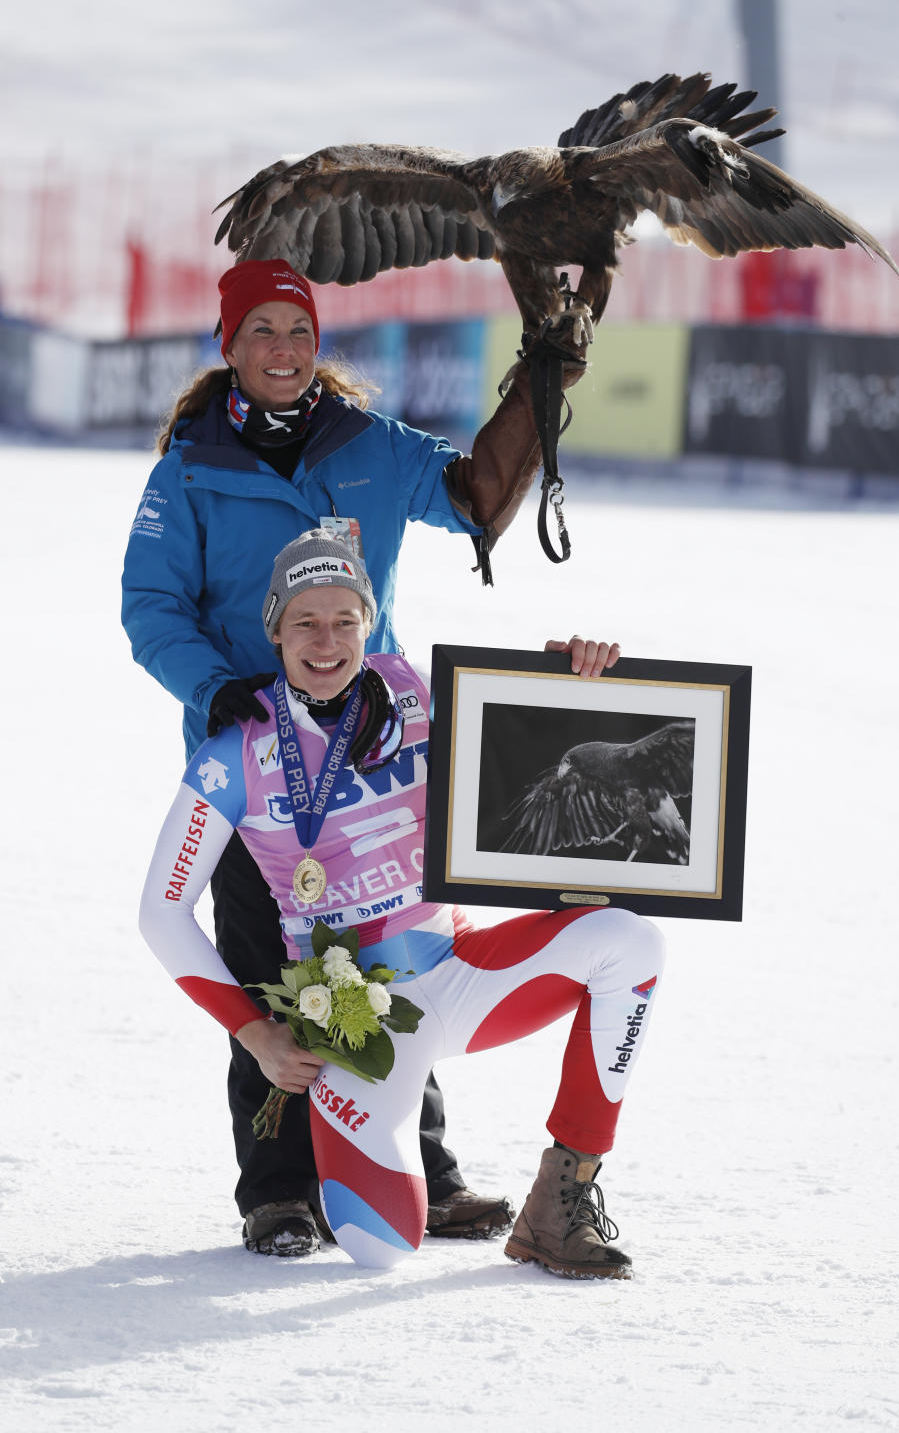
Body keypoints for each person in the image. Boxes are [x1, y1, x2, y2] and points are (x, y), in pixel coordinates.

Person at [121, 258, 586, 1256]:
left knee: (393, 952)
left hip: (375, 757)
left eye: (299, 332)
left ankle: (431, 1167)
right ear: (229, 348)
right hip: (258, 774)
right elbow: (150, 608)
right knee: (266, 966)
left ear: (318, 344)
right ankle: (281, 1189)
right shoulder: (190, 468)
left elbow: (477, 497)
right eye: (262, 334)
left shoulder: (369, 444)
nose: (282, 351)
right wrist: (218, 690)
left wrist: (538, 383)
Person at [138, 529, 665, 1277]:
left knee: (632, 944)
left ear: (368, 621)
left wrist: (565, 684)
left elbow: (528, 744)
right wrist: (257, 1035)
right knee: (382, 1247)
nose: (327, 642)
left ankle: (561, 1198)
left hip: (460, 970)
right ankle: (323, 1168)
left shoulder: (412, 689)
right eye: (305, 624)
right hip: (357, 1024)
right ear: (275, 631)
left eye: (345, 621)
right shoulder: (234, 752)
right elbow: (161, 911)